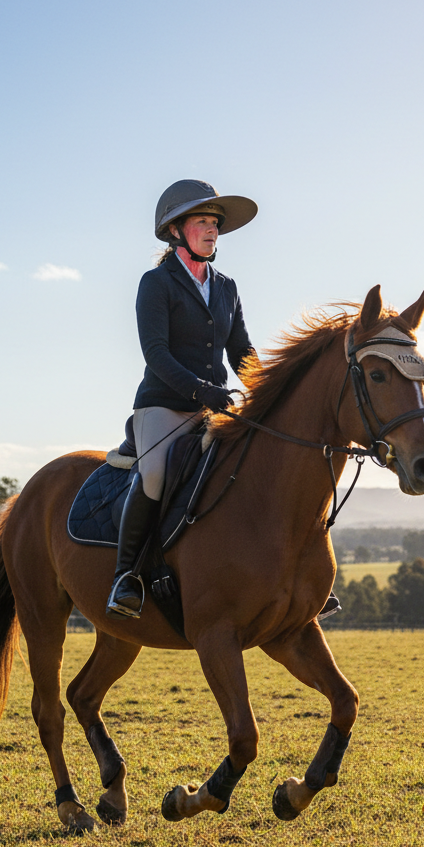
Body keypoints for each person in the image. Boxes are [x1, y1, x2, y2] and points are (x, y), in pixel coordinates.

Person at [106, 179, 259, 618]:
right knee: (154, 473)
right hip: (163, 405)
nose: (212, 230)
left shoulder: (226, 287)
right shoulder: (156, 283)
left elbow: (242, 351)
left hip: (215, 407)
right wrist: (201, 390)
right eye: (202, 222)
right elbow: (156, 353)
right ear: (175, 231)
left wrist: (268, 387)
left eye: (215, 223)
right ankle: (126, 576)